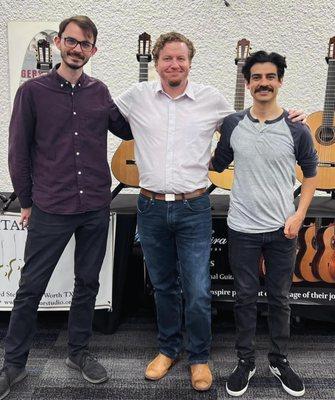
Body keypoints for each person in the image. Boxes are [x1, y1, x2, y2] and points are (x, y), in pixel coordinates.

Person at [115, 33, 306, 391]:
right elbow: (103, 116)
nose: (174, 64)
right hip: (151, 206)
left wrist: (292, 117)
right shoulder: (136, 96)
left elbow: (251, 120)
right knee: (163, 286)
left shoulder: (211, 101)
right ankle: (168, 349)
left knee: (199, 289)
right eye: (167, 58)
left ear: (190, 62)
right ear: (156, 62)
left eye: (181, 58)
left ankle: (199, 357)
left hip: (194, 207)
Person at [0, 15, 132, 399]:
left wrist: (159, 100)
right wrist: (26, 201)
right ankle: (14, 366)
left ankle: (78, 352)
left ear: (94, 50)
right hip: (50, 207)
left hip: (93, 204)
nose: (77, 49)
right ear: (59, 42)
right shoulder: (33, 93)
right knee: (30, 288)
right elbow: (17, 152)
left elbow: (126, 129)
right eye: (72, 41)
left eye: (85, 44)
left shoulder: (100, 92)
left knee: (87, 284)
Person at [210, 51, 318, 397]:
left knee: (280, 298)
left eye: (270, 77)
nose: (263, 83)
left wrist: (299, 215)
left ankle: (279, 359)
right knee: (243, 297)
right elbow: (217, 162)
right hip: (241, 227)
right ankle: (245, 361)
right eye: (256, 77)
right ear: (248, 83)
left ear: (280, 81)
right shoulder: (232, 124)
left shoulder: (296, 128)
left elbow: (312, 175)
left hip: (281, 229)